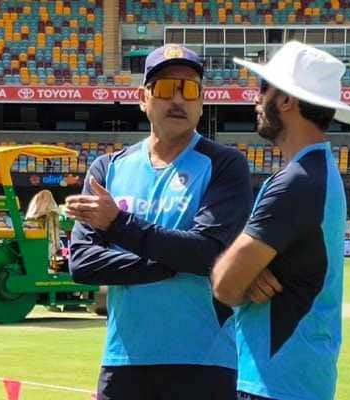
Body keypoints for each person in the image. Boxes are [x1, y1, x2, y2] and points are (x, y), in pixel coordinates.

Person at [65, 44, 253, 400]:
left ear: (202, 101)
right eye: (166, 88)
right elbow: (83, 264)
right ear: (143, 98)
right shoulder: (108, 169)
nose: (178, 99)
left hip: (205, 361)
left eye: (190, 89)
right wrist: (167, 264)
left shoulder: (225, 165)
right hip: (124, 361)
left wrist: (119, 225)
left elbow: (206, 254)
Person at [212, 41, 350, 400]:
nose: (256, 99)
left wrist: (245, 275)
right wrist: (249, 274)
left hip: (274, 382)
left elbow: (224, 285)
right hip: (302, 378)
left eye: (263, 88)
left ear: (286, 100)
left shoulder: (295, 182)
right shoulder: (321, 171)